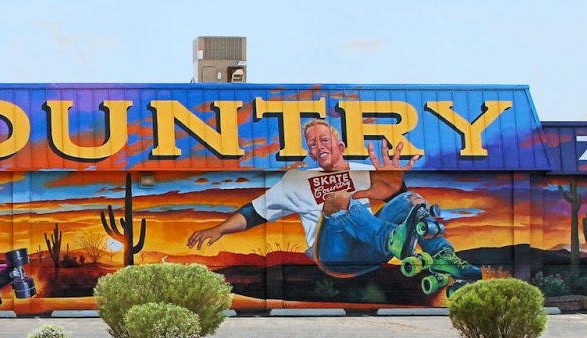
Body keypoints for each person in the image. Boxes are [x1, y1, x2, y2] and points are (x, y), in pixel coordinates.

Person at [186, 119, 479, 291]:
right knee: (337, 199)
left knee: (413, 199)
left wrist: (394, 186)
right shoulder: (296, 181)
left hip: (370, 250)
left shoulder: (363, 170)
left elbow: (400, 203)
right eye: (312, 144)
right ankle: (391, 238)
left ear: (339, 146)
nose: (318, 147)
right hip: (333, 255)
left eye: (323, 139)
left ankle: (445, 261)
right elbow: (254, 213)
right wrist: (220, 229)